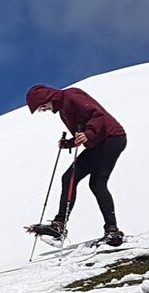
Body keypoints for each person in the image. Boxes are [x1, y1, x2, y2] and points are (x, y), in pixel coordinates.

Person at [24, 85, 126, 247]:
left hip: (111, 138)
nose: (45, 110)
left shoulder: (71, 96)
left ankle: (112, 231)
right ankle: (59, 225)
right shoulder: (63, 111)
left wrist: (88, 134)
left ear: (48, 98)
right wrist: (70, 143)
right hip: (97, 144)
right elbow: (82, 133)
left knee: (97, 184)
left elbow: (97, 115)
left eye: (43, 106)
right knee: (69, 178)